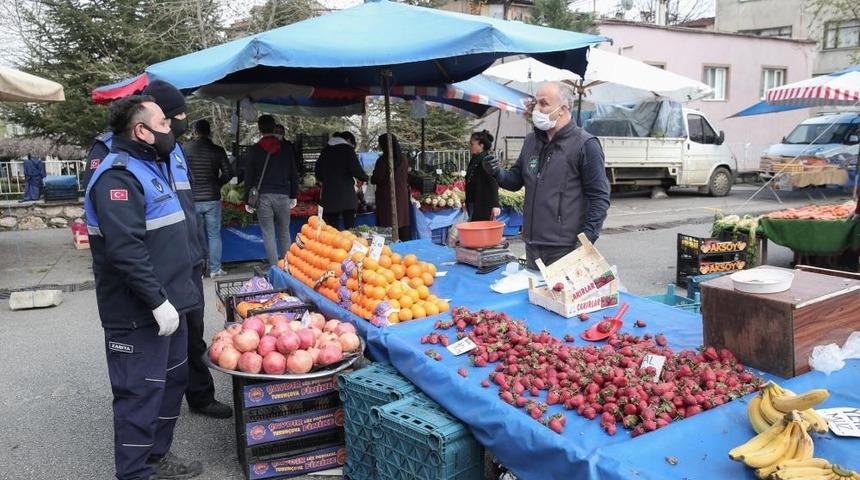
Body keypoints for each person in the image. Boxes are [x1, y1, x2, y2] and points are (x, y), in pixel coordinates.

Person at [84, 95, 203, 480]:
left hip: (173, 302)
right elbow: (125, 248)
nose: (172, 128)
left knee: (172, 382)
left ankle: (156, 456)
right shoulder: (118, 176)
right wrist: (156, 301)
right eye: (165, 123)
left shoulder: (152, 165)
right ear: (142, 131)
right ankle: (134, 472)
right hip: (139, 312)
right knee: (140, 393)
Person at [483, 81, 610, 269]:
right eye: (536, 103)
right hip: (533, 245)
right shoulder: (531, 141)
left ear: (562, 109)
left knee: (559, 298)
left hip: (566, 248)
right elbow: (516, 180)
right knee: (535, 297)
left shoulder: (585, 145)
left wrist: (586, 241)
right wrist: (496, 172)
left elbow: (599, 197)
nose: (537, 109)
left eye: (543, 104)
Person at [243, 115, 299, 267]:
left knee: (268, 233)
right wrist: (294, 195)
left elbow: (249, 177)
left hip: (263, 197)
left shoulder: (254, 150)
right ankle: (288, 266)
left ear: (259, 129)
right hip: (283, 195)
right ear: (274, 127)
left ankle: (275, 267)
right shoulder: (286, 148)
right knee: (284, 232)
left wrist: (247, 199)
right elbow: (294, 173)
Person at [184, 119, 233, 278]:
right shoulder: (217, 150)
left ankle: (198, 271)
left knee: (195, 235)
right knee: (214, 234)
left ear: (195, 132)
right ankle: (215, 269)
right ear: (209, 132)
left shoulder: (185, 150)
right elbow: (228, 173)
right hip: (212, 198)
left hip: (192, 198)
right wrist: (217, 184)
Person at [315, 131, 369, 229]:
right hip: (347, 197)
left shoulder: (325, 151)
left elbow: (318, 174)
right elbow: (357, 171)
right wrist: (364, 178)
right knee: (350, 230)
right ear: (348, 140)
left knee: (332, 231)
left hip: (329, 197)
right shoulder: (348, 150)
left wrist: (329, 180)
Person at [371, 133, 411, 241]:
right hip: (401, 196)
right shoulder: (403, 159)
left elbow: (377, 178)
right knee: (402, 222)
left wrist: (371, 178)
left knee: (388, 225)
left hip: (387, 197)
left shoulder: (383, 161)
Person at [464, 130, 500, 222]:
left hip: (483, 203)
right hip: (473, 201)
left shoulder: (487, 160)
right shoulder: (475, 159)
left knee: (480, 231)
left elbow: (493, 182)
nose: (470, 146)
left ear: (481, 146)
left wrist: (496, 205)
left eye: (472, 144)